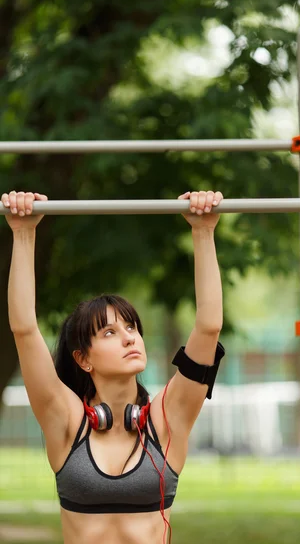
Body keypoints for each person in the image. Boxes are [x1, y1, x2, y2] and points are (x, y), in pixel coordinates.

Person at [2, 189, 225, 544]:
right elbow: (25, 329)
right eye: (109, 331)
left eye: (131, 327)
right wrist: (23, 232)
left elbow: (209, 327)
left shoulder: (167, 419)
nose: (129, 338)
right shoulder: (65, 420)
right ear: (83, 359)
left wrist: (203, 230)